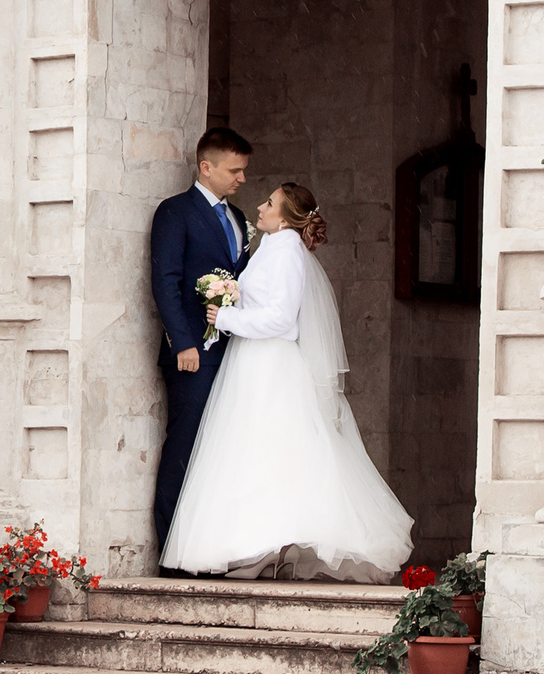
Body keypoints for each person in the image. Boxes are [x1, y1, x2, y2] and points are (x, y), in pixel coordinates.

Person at [159, 181, 413, 581]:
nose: (260, 206)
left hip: (270, 363)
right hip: (251, 360)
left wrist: (224, 317)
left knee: (272, 452)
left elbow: (282, 320)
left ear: (286, 217)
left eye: (270, 203)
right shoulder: (273, 248)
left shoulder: (289, 255)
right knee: (255, 454)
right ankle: (265, 550)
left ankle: (273, 547)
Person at [149, 127, 256, 559]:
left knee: (224, 448)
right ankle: (173, 552)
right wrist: (183, 343)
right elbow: (165, 281)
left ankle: (215, 550)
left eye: (245, 171)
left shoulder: (239, 217)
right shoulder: (175, 212)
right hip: (193, 354)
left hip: (235, 351)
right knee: (186, 445)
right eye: (235, 170)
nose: (242, 179)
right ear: (206, 167)